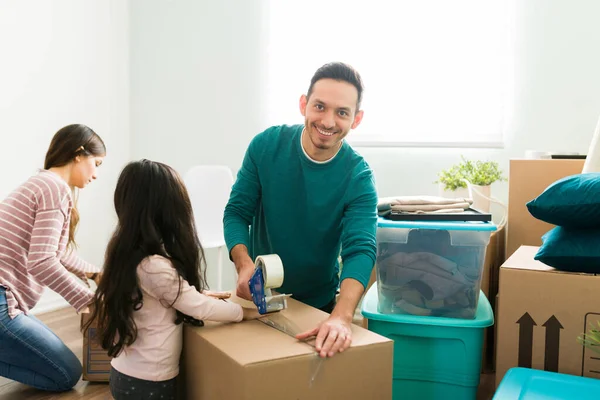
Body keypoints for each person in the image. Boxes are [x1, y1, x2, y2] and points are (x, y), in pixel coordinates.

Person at [223, 61, 378, 358]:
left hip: (316, 305)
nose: (328, 121)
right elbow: (237, 212)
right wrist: (243, 264)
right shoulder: (266, 146)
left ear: (356, 119)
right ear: (304, 104)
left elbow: (360, 250)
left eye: (342, 112)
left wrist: (342, 316)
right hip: (258, 298)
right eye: (320, 106)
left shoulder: (358, 177)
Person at [85, 159, 260, 400]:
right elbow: (199, 307)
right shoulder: (155, 266)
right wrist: (245, 313)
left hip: (123, 372)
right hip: (149, 383)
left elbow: (166, 298)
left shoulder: (128, 253)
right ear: (167, 212)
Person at [0, 124, 106, 391]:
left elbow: (53, 252)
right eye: (97, 163)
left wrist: (94, 273)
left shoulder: (43, 182)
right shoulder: (54, 188)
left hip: (5, 299)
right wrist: (88, 302)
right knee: (66, 374)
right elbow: (42, 262)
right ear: (79, 154)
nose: (96, 174)